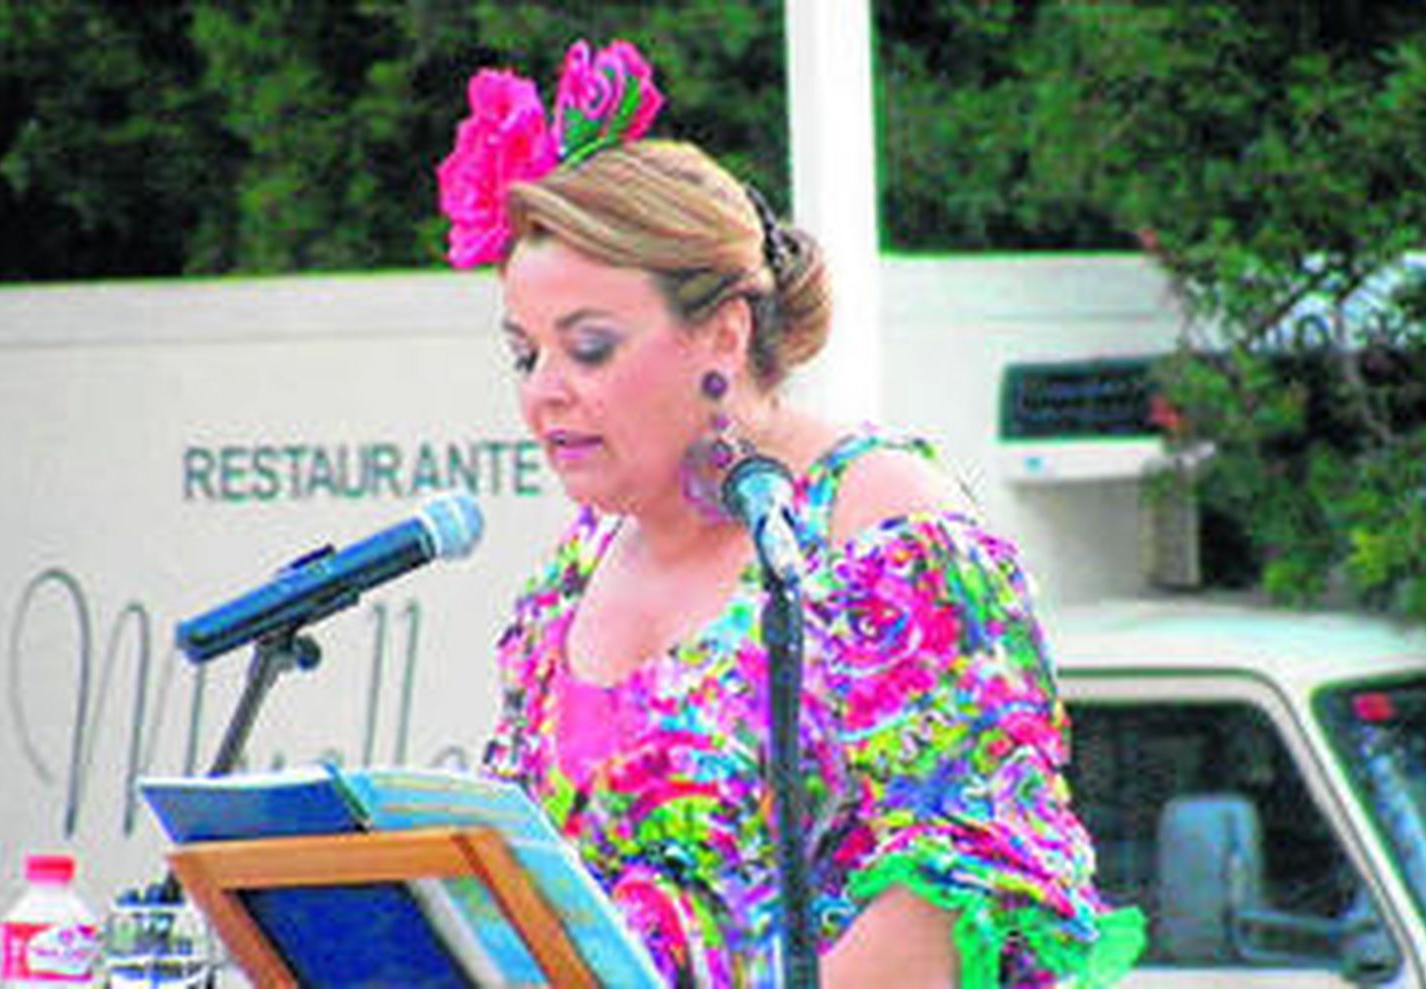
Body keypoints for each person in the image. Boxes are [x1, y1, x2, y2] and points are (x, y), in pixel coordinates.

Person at [437, 39, 1145, 988]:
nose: (544, 392)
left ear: (722, 334)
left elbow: (957, 889)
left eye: (590, 347)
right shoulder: (568, 582)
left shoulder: (879, 525)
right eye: (526, 356)